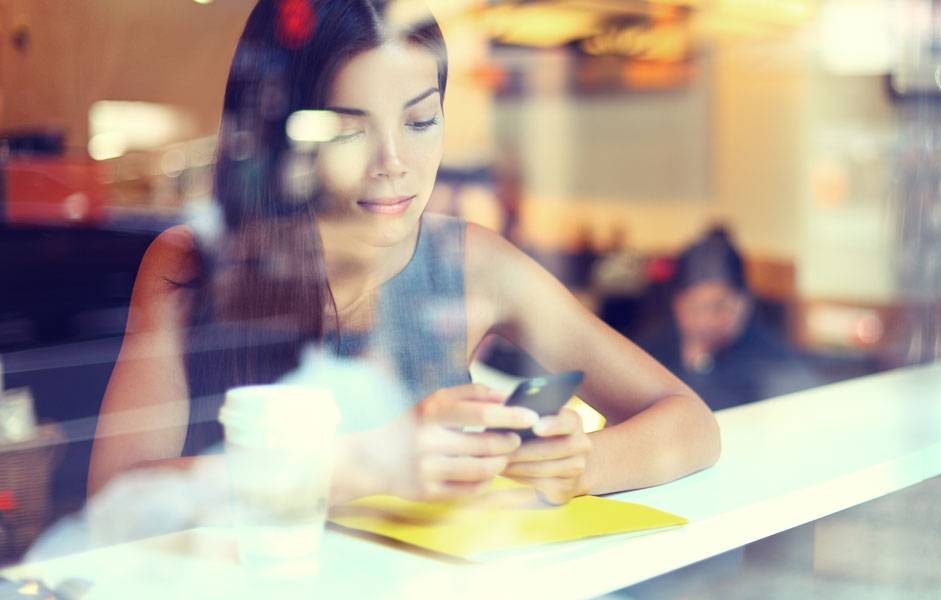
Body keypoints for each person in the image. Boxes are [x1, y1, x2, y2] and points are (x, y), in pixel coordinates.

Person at [88, 0, 718, 507]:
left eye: (420, 122)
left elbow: (690, 423)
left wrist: (581, 463)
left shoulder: (473, 264)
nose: (392, 165)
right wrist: (365, 465)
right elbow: (118, 495)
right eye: (348, 129)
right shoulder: (189, 265)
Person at [640, 228, 822, 411]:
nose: (706, 321)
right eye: (694, 308)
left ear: (745, 301)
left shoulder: (775, 366)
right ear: (675, 304)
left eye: (719, 306)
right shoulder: (648, 354)